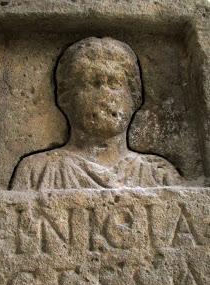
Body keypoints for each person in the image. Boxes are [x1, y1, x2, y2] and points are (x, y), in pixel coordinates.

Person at [10, 37, 183, 190]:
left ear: (135, 97)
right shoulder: (37, 173)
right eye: (91, 83)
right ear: (65, 96)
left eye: (115, 83)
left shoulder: (160, 175)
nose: (104, 96)